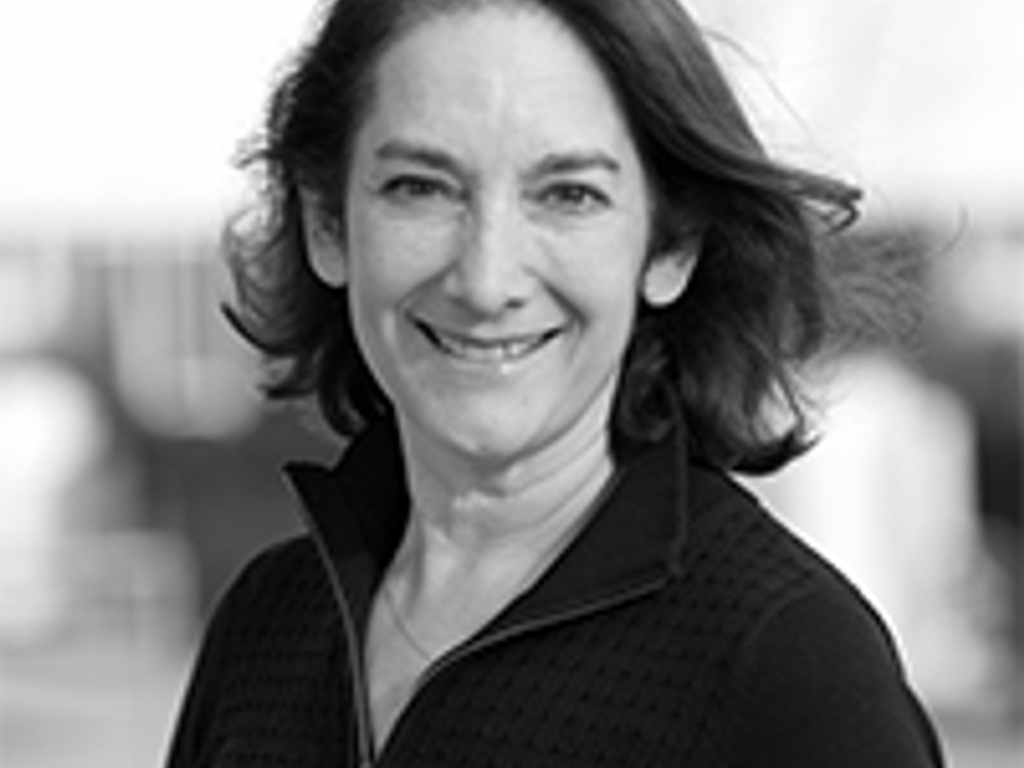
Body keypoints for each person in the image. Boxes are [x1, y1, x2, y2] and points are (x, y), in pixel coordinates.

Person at [167, 0, 946, 765]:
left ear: (671, 247)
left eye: (569, 194)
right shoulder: (269, 625)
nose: (486, 279)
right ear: (327, 225)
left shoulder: (788, 669)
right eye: (421, 187)